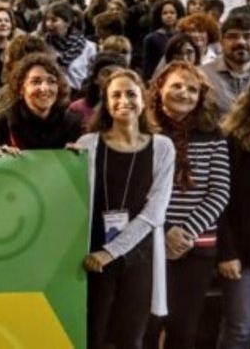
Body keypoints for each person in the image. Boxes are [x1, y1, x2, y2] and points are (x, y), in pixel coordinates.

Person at [77, 68, 175, 349]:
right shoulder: (87, 145)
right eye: (115, 95)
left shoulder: (163, 147)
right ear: (106, 103)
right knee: (93, 337)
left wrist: (111, 252)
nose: (124, 100)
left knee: (130, 338)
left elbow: (155, 212)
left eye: (131, 94)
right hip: (92, 257)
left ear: (143, 101)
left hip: (138, 256)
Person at [144, 60, 231, 348]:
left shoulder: (213, 134)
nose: (185, 93)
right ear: (159, 90)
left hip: (197, 247)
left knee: (183, 330)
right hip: (150, 243)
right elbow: (138, 191)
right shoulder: (143, 132)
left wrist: (185, 232)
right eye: (177, 86)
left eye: (192, 89)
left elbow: (219, 191)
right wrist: (166, 230)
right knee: (147, 327)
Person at [0, 53, 83, 150]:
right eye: (36, 82)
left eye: (51, 81)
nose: (44, 88)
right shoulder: (2, 128)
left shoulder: (74, 125)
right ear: (21, 88)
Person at [219, 85, 250, 347]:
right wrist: (227, 252)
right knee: (239, 328)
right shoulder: (232, 139)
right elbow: (222, 201)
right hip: (241, 254)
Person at [202, 13, 250, 117]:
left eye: (248, 36)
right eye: (232, 37)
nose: (241, 42)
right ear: (221, 42)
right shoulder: (203, 76)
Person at [42, 2, 96, 91]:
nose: (49, 24)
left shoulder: (88, 47)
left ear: (68, 23)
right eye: (47, 20)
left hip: (78, 94)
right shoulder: (44, 45)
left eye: (54, 20)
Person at [68, 52, 129, 124]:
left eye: (118, 74)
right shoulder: (77, 109)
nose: (112, 78)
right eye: (106, 73)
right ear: (95, 79)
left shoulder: (130, 107)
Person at [143, 0, 185, 79]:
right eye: (164, 13)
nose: (169, 16)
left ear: (178, 14)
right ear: (159, 16)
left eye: (172, 13)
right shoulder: (151, 38)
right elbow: (148, 69)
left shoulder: (183, 36)